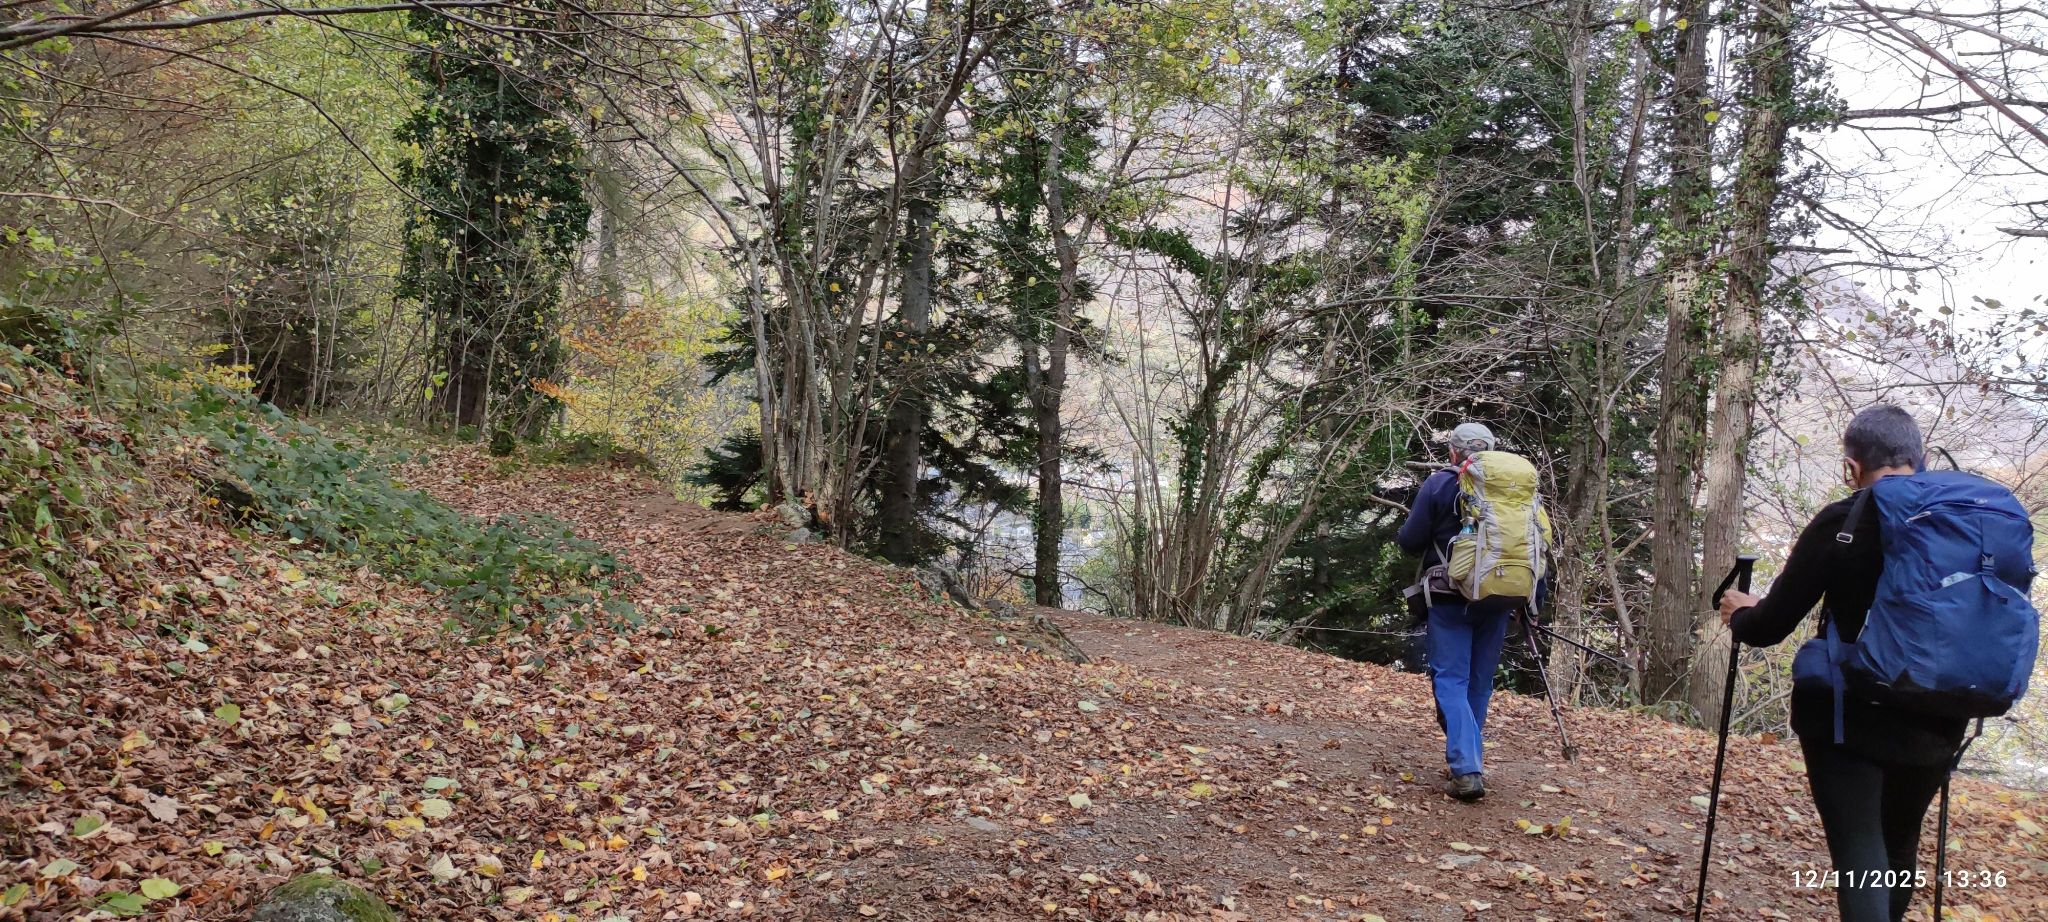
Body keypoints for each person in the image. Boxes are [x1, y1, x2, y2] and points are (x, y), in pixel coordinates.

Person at [1716, 406, 1975, 922]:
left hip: (1851, 714)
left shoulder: (1845, 521)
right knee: (1899, 845)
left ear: (1851, 467)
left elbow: (1769, 626)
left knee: (1861, 851)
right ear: (1920, 458)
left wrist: (1740, 612)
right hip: (1941, 711)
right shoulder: (1963, 523)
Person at [1397, 421, 1521, 802]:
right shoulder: (1513, 491)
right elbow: (1533, 546)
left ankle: (1466, 769)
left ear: (1453, 452)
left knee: (1450, 680)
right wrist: (1533, 603)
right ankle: (1468, 761)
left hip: (1449, 598)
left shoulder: (1439, 484)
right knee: (1479, 683)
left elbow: (1410, 541)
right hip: (1500, 597)